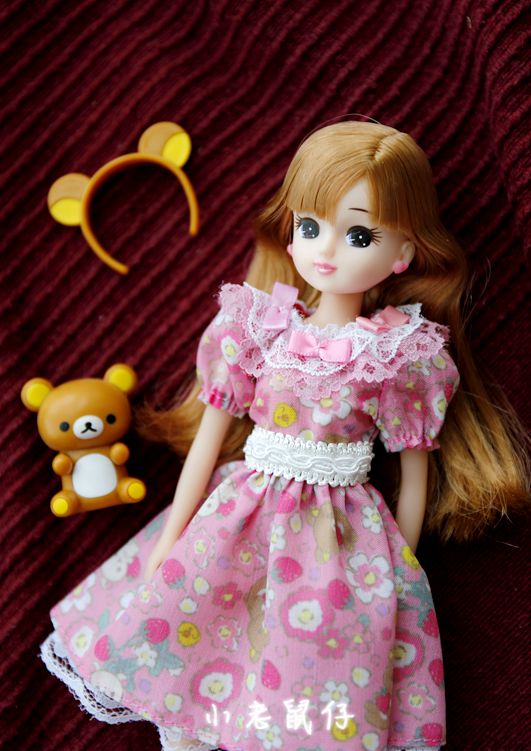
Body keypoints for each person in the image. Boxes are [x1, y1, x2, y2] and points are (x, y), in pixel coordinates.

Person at [41, 121, 529, 751]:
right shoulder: (257, 328)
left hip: (339, 542)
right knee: (197, 653)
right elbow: (211, 441)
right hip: (238, 516)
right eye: (310, 226)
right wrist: (168, 540)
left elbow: (415, 476)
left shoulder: (401, 356)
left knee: (305, 681)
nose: (327, 250)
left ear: (403, 253)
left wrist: (397, 580)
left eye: (359, 235)